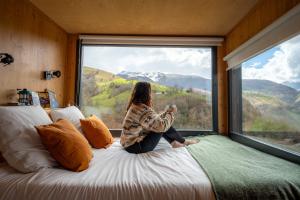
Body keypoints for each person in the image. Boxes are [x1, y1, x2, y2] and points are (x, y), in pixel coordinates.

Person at [120, 81, 199, 154]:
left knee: (162, 123)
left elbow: (152, 121)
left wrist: (165, 113)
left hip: (129, 144)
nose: (151, 95)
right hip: (137, 147)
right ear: (146, 94)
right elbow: (161, 126)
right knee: (162, 125)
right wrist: (170, 113)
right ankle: (181, 142)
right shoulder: (142, 110)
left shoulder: (136, 106)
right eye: (150, 92)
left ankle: (176, 143)